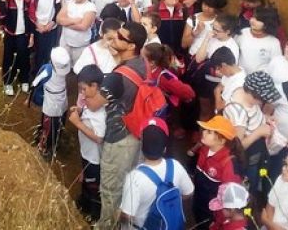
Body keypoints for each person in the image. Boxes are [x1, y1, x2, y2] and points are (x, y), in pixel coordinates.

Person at [96, 21, 148, 229]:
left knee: (111, 189)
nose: (114, 37)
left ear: (131, 46)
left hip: (119, 138)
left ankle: (107, 226)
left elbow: (94, 103)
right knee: (129, 184)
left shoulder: (116, 78)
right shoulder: (142, 63)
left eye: (120, 37)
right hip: (137, 133)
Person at [118, 118, 194, 229]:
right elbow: (189, 192)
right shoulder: (175, 165)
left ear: (142, 147)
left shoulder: (134, 178)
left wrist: (118, 215)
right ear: (165, 149)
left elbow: (127, 215)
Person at [68, 64, 108, 222]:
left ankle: (94, 215)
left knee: (93, 188)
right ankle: (83, 203)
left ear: (95, 86)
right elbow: (86, 114)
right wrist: (80, 111)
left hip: (94, 159)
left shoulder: (99, 111)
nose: (82, 94)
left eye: (84, 89)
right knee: (86, 181)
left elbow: (99, 137)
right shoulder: (90, 102)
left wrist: (78, 123)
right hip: (87, 154)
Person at [192, 115, 245, 227]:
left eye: (209, 132)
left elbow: (228, 200)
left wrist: (217, 221)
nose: (204, 132)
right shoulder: (205, 149)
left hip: (212, 213)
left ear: (222, 140)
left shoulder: (228, 164)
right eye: (205, 129)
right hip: (199, 201)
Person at [0, 0, 34, 96]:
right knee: (8, 57)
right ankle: (7, 82)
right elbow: (0, 15)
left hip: (23, 34)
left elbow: (31, 18)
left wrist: (31, 35)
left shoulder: (28, 0)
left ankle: (24, 80)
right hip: (10, 33)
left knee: (24, 57)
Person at [33, 46, 71, 161]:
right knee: (51, 125)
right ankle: (46, 146)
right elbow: (35, 83)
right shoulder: (48, 71)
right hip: (54, 101)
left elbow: (35, 83)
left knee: (56, 123)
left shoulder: (49, 69)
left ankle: (52, 142)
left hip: (58, 99)